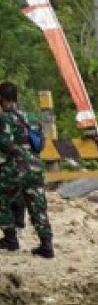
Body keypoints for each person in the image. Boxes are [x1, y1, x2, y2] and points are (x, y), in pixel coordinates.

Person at [0, 81, 54, 258]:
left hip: (16, 167)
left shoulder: (6, 118)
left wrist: (16, 154)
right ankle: (46, 245)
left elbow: (5, 143)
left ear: (2, 99)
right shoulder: (30, 117)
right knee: (37, 205)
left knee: (3, 199)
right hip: (36, 167)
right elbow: (41, 143)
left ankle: (10, 239)